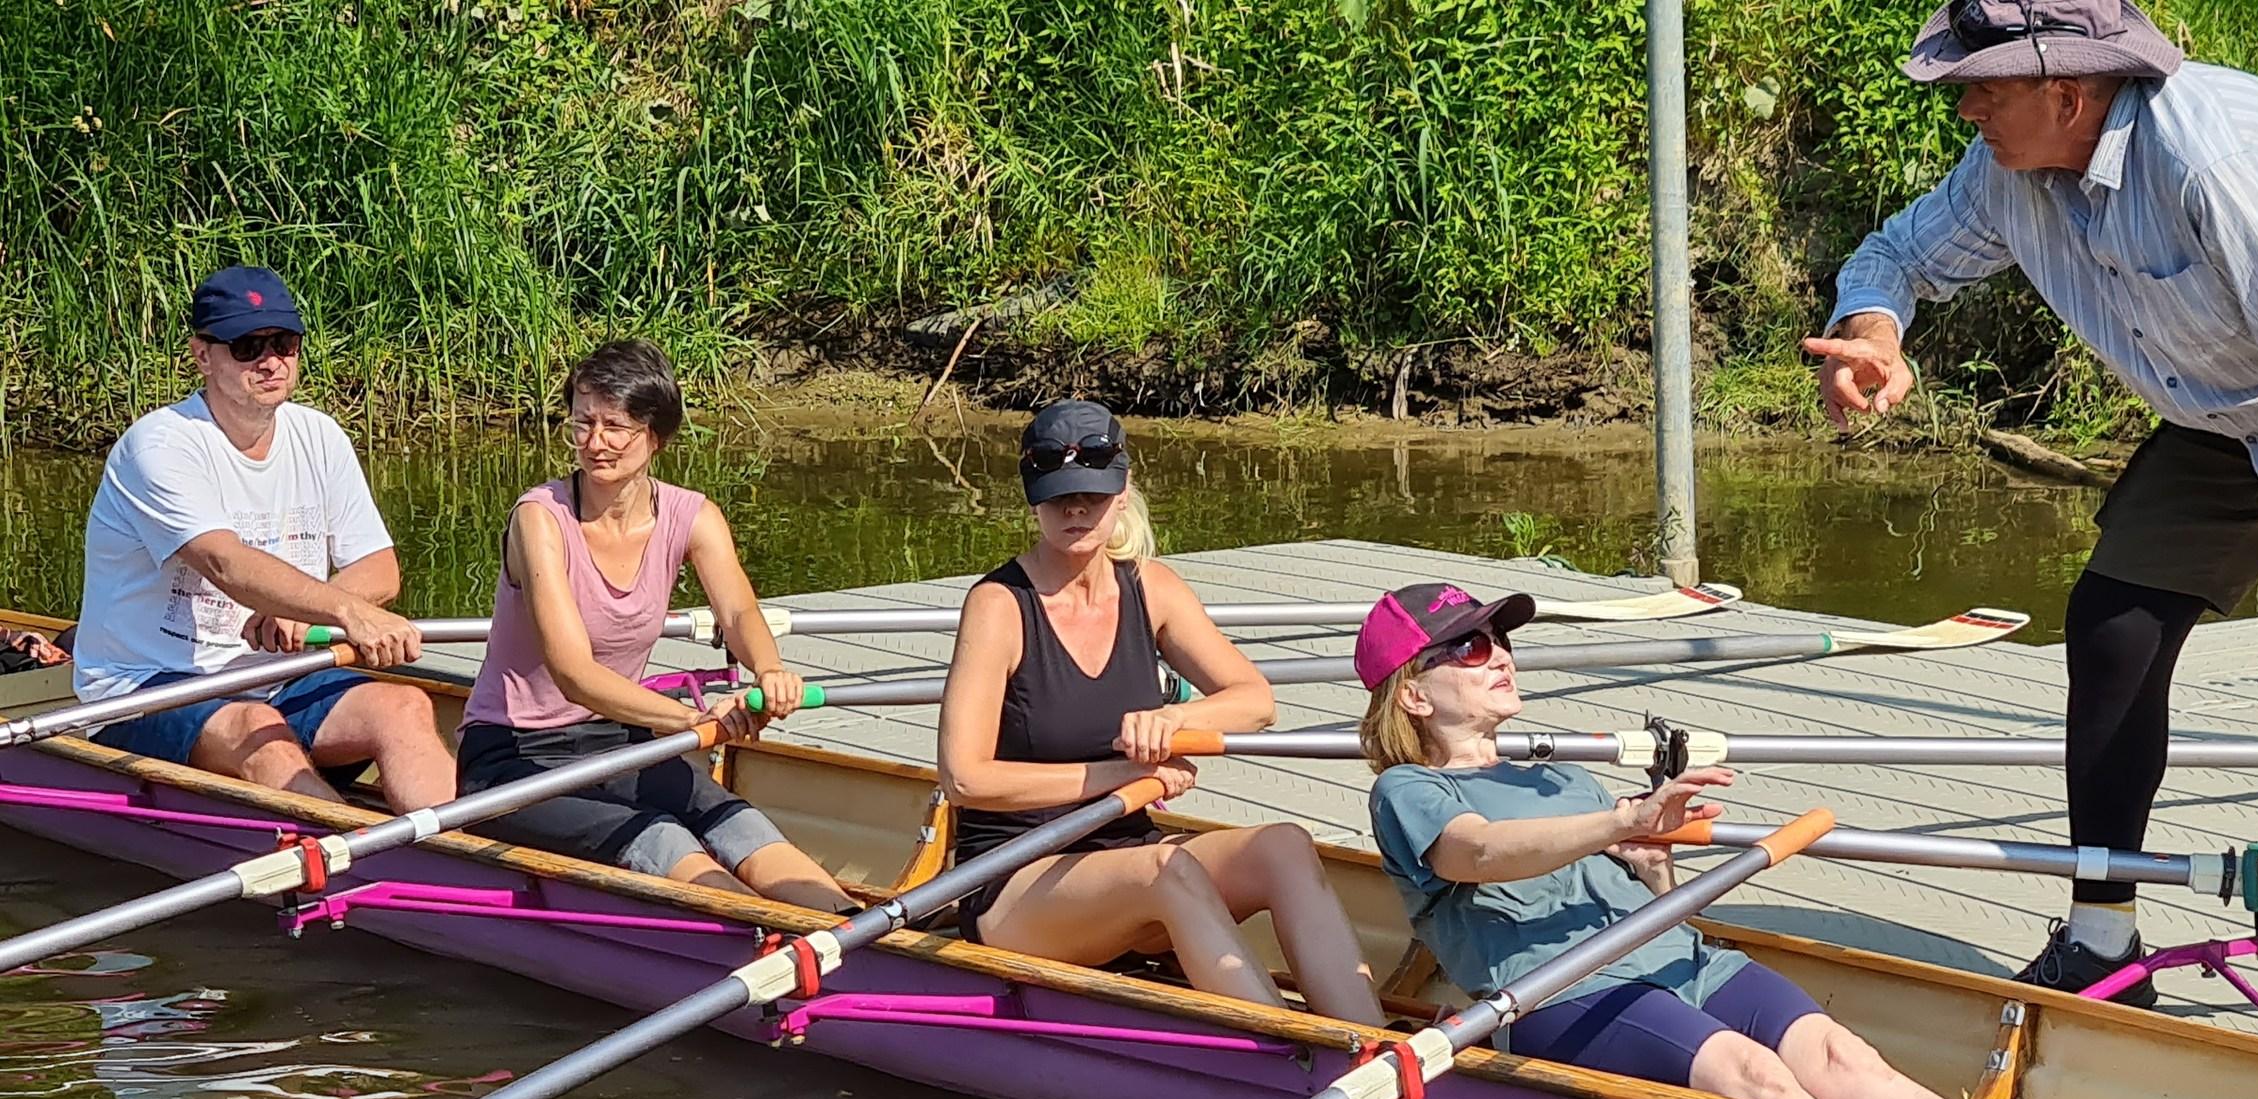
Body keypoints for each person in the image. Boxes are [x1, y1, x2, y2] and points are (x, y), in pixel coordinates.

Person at [1807, 0, 2258, 1077]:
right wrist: (1873, 334)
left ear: (2069, 93)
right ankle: (2102, 937)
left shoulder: (2207, 160)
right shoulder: (2006, 172)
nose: (1967, 107)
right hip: (2234, 410)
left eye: (1983, 86)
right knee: (2115, 620)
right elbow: (1898, 255)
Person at [1357, 582, 2005, 1099]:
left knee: (1843, 1057)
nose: (1499, 655)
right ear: (1413, 694)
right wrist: (1622, 821)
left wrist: (1652, 865)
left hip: (1682, 961)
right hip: (1563, 994)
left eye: (1499, 639)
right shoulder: (1410, 790)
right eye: (1470, 647)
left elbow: (1649, 893)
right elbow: (1477, 852)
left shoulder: (1562, 781)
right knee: (1749, 1073)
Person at [935, 401, 1386, 1026]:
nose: (1074, 511)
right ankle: (1289, 1061)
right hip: (1015, 879)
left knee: (1283, 845)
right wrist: (1120, 774)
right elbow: (965, 778)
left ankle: (1372, 1043)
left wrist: (1175, 722)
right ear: (1032, 501)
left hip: (1128, 855)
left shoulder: (1152, 587)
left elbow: (1256, 702)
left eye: (1091, 496)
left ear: (1122, 493)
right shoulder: (998, 606)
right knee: (1165, 868)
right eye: (1057, 498)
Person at [455, 341, 850, 909]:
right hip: (515, 758)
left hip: (617, 739)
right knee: (663, 838)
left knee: (736, 824)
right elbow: (574, 674)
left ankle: (853, 930)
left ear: (656, 436)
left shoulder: (693, 515)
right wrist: (692, 718)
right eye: (583, 423)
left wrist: (770, 672)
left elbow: (738, 612)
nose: (595, 443)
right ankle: (754, 938)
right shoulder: (539, 518)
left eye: (616, 426)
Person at [71, 266, 453, 810]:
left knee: (406, 706)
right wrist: (341, 610)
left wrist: (318, 608)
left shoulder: (319, 435)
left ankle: (461, 860)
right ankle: (364, 872)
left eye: (285, 342)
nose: (271, 361)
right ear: (203, 355)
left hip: (274, 675)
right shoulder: (159, 447)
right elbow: (226, 564)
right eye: (248, 345)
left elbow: (380, 565)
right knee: (261, 732)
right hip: (143, 687)